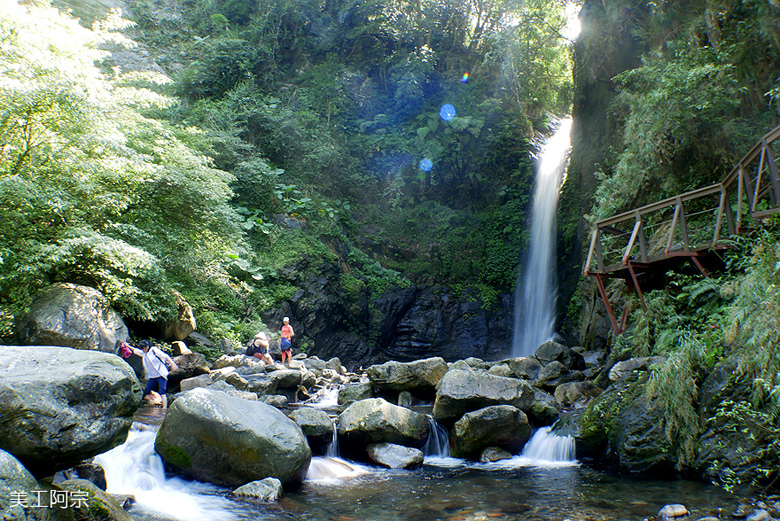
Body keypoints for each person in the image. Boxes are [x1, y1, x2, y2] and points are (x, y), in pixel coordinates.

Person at [127, 340, 177, 409]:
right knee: (147, 391)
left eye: (143, 348)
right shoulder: (143, 353)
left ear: (147, 346)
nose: (143, 350)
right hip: (152, 376)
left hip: (161, 374)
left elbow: (165, 356)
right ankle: (155, 401)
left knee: (162, 391)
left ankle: (164, 408)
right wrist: (126, 345)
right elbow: (135, 350)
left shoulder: (154, 350)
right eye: (142, 348)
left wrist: (173, 364)